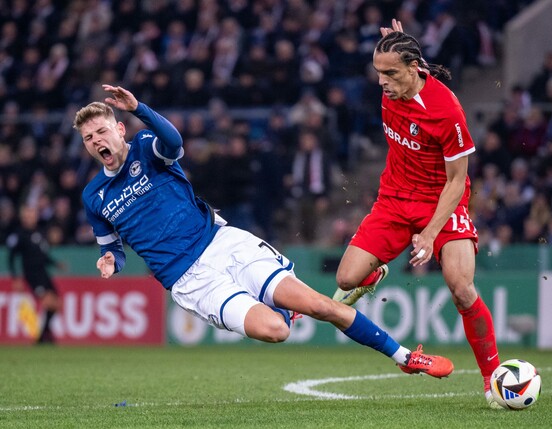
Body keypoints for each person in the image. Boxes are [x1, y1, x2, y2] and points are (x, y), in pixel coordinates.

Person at [73, 84, 454, 379]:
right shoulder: (94, 195)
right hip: (189, 279)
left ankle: (405, 357)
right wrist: (111, 260)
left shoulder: (145, 148)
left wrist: (139, 108)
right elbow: (112, 246)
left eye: (102, 131)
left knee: (321, 306)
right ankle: (288, 310)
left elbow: (174, 141)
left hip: (221, 242)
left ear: (119, 128)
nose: (97, 142)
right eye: (89, 139)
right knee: (276, 330)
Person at [331, 20, 502, 409]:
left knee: (460, 287)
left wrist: (428, 234)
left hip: (442, 200)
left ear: (413, 69)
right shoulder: (398, 78)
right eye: (377, 73)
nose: (382, 83)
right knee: (346, 278)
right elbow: (398, 60)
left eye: (389, 73)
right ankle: (375, 271)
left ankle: (492, 376)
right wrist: (391, 45)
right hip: (393, 199)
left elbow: (458, 181)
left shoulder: (447, 111)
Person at [7, 204, 63, 343]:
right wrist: (15, 278)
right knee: (49, 302)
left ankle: (43, 334)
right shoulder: (20, 235)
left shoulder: (39, 233)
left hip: (43, 272)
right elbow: (11, 257)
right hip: (32, 275)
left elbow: (42, 255)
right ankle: (43, 335)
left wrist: (55, 263)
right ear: (23, 218)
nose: (30, 218)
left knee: (57, 303)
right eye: (27, 215)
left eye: (32, 215)